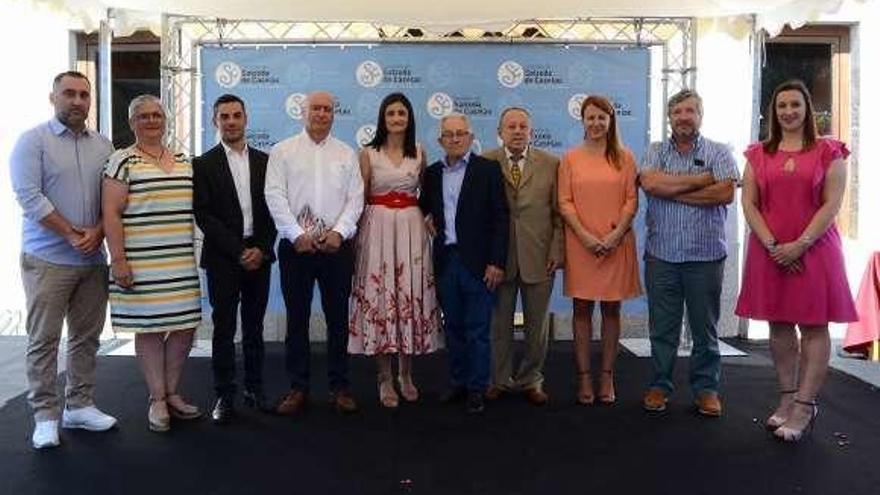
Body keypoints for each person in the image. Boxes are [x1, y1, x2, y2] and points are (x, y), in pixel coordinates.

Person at [735, 80, 857, 441]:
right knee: (780, 323)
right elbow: (749, 204)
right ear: (774, 112)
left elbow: (831, 205)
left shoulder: (829, 151)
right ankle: (787, 398)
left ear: (807, 109)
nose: (788, 112)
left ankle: (805, 406)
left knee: (815, 326)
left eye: (795, 105)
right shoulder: (757, 153)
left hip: (815, 249)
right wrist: (774, 245)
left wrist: (799, 245)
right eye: (781, 106)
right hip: (769, 249)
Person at [10, 71, 117, 449]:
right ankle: (45, 415)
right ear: (52, 97)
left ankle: (79, 406)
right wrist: (73, 234)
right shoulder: (32, 141)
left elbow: (115, 201)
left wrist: (100, 231)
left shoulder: (104, 145)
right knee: (44, 340)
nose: (77, 101)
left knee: (87, 338)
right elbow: (29, 197)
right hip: (48, 260)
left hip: (92, 260)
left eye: (83, 95)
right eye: (69, 94)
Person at [103, 95, 203, 433]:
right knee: (150, 330)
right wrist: (118, 260)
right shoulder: (121, 161)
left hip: (179, 261)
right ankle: (157, 399)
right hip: (140, 262)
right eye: (143, 116)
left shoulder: (184, 159)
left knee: (185, 326)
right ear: (132, 123)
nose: (151, 121)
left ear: (166, 119)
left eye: (157, 115)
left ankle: (172, 392)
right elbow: (111, 215)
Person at [638, 89, 739, 417]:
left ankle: (706, 389)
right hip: (662, 256)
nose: (684, 116)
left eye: (690, 111)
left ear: (700, 116)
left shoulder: (719, 151)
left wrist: (674, 191)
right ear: (669, 117)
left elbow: (724, 193)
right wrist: (700, 180)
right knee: (662, 328)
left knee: (704, 328)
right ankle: (659, 384)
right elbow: (650, 184)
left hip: (705, 257)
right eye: (678, 111)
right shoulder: (655, 151)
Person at [265, 91, 364, 415]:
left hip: (336, 249)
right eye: (316, 109)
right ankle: (298, 387)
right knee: (297, 319)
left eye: (327, 109)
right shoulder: (282, 151)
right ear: (303, 112)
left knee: (338, 320)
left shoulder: (346, 153)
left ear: (334, 114)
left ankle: (340, 386)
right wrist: (296, 235)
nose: (321, 114)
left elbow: (356, 199)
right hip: (297, 249)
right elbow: (275, 196)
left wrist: (340, 232)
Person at [348, 92, 442, 408]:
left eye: (402, 113)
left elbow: (427, 195)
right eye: (391, 113)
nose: (397, 118)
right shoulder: (368, 153)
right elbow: (359, 198)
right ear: (382, 118)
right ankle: (384, 377)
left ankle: (406, 374)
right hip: (377, 228)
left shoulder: (419, 151)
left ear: (409, 118)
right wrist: (352, 236)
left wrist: (431, 218)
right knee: (381, 298)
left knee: (408, 296)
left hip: (411, 230)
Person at [193, 94, 277, 424]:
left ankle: (255, 389)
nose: (230, 121)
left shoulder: (266, 161)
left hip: (259, 256)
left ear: (246, 118)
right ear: (216, 122)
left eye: (236, 115)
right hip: (223, 258)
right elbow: (204, 214)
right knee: (224, 329)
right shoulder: (203, 164)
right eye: (224, 116)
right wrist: (238, 251)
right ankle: (224, 395)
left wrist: (262, 249)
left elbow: (274, 210)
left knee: (255, 329)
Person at [419, 113, 509, 414]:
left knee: (478, 330)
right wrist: (425, 217)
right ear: (440, 140)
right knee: (454, 328)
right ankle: (458, 382)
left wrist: (497, 262)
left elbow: (501, 219)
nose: (455, 139)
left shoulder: (488, 170)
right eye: (449, 134)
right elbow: (422, 208)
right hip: (446, 261)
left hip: (480, 264)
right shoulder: (431, 173)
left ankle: (477, 388)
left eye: (461, 134)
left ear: (471, 138)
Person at [558, 95, 641, 405]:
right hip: (581, 245)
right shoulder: (570, 159)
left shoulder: (626, 157)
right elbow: (564, 202)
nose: (595, 123)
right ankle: (583, 377)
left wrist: (616, 235)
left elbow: (631, 200)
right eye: (590, 118)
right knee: (581, 309)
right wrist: (585, 236)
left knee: (611, 309)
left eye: (601, 118)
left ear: (610, 121)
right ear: (582, 121)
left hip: (616, 243)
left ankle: (606, 375)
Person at [482, 107, 562, 406]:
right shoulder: (485, 162)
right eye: (511, 126)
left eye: (523, 126)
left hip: (540, 256)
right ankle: (499, 379)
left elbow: (558, 214)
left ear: (531, 131)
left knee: (537, 327)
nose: (517, 131)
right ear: (500, 132)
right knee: (499, 325)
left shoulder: (552, 164)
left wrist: (557, 250)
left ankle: (532, 379)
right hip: (499, 259)